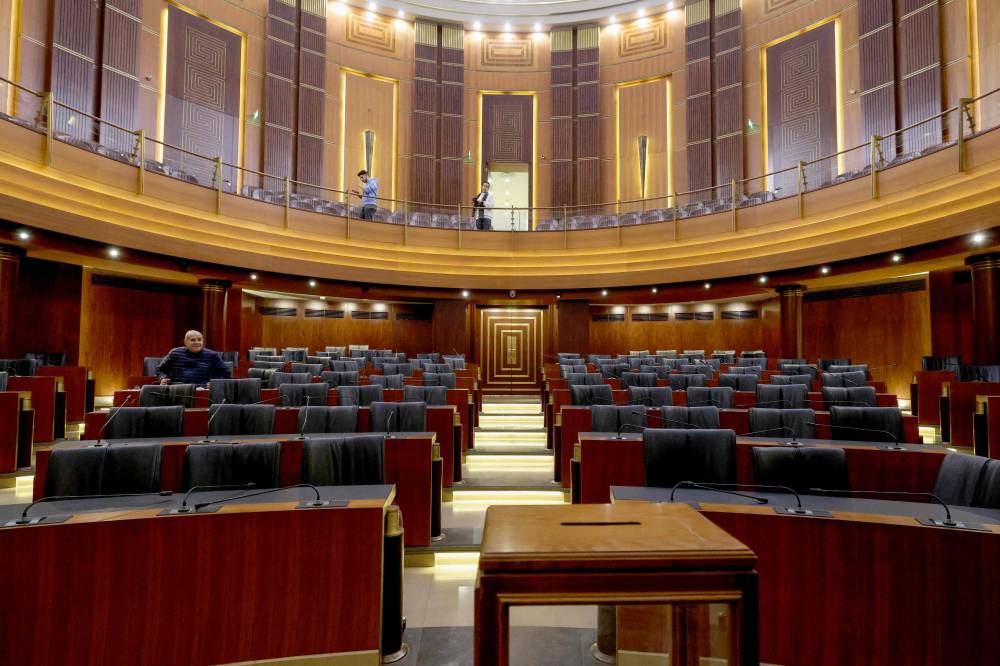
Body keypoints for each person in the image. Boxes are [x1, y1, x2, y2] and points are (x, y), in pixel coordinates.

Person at [156, 330, 230, 386]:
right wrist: (163, 378)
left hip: (203, 389)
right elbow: (161, 369)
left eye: (199, 339)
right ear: (185, 342)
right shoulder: (175, 353)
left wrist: (214, 382)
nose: (197, 342)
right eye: (192, 340)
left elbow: (225, 372)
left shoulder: (212, 355)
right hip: (178, 389)